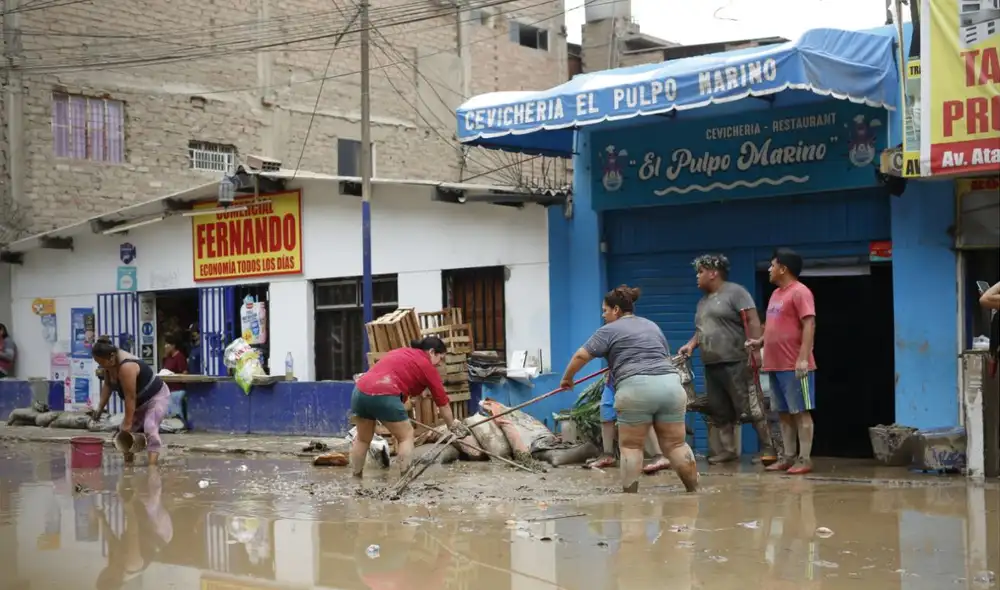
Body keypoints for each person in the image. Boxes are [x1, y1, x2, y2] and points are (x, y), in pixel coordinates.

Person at [560, 285, 698, 493]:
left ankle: (631, 502)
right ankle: (695, 491)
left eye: (605, 310)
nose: (603, 315)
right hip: (671, 385)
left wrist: (567, 379)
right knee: (676, 445)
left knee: (632, 447)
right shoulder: (652, 326)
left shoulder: (607, 330)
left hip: (635, 389)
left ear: (616, 310)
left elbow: (581, 356)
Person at [677, 254, 776, 466]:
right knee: (719, 409)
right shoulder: (703, 301)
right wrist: (691, 344)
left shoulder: (736, 292)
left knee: (751, 407)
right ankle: (729, 450)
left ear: (713, 273)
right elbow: (702, 329)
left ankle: (769, 448)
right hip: (711, 363)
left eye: (700, 271)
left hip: (737, 360)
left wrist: (757, 351)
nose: (697, 276)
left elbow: (751, 319)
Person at [351, 336, 468, 477]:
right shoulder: (427, 366)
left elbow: (399, 379)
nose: (440, 364)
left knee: (363, 439)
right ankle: (405, 477)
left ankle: (356, 477)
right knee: (406, 436)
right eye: (440, 358)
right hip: (385, 393)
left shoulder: (402, 352)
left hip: (360, 392)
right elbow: (443, 403)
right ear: (431, 352)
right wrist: (452, 426)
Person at [747, 248, 817, 475]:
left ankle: (804, 459)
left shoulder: (800, 292)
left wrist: (803, 358)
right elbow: (774, 327)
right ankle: (787, 457)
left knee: (800, 411)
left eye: (772, 264)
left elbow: (809, 324)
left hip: (794, 365)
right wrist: (759, 342)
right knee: (783, 413)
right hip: (774, 364)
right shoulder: (776, 295)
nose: (769, 269)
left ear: (783, 268)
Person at [91, 336, 171, 466]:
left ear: (111, 357)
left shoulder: (127, 366)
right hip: (138, 402)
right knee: (124, 434)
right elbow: (107, 386)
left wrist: (127, 424)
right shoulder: (108, 366)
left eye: (101, 362)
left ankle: (152, 468)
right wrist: (99, 408)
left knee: (149, 427)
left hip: (156, 396)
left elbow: (130, 397)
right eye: (98, 362)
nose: (100, 365)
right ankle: (128, 466)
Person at [587, 367, 673, 474]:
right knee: (606, 411)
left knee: (643, 415)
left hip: (636, 378)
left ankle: (659, 456)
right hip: (614, 380)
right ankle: (608, 455)